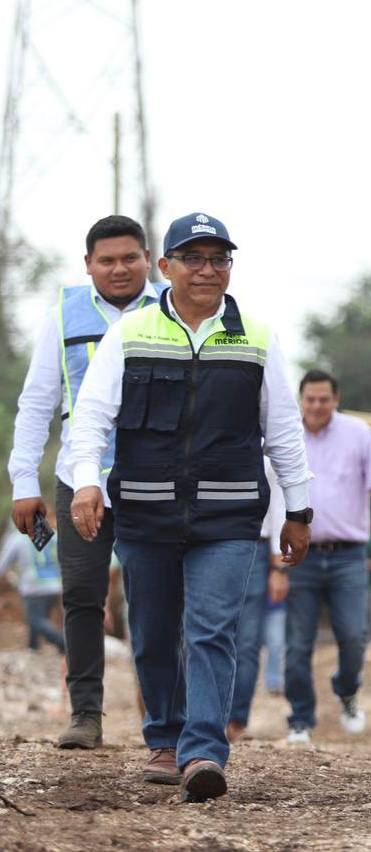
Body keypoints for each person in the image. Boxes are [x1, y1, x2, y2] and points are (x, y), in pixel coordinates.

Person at [67, 212, 312, 802]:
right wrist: (84, 482)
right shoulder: (130, 334)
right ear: (166, 267)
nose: (208, 270)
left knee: (212, 629)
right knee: (152, 631)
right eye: (195, 258)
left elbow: (282, 430)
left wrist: (298, 511)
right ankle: (164, 738)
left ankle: (204, 750)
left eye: (219, 259)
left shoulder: (256, 337)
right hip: (145, 512)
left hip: (228, 518)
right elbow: (92, 416)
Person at [7, 215, 162, 749]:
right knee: (81, 595)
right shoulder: (63, 313)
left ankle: (162, 716)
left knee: (157, 597)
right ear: (88, 265)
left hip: (157, 477)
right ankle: (86, 715)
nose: (119, 269)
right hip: (82, 476)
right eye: (106, 260)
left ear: (148, 258)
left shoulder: (172, 306)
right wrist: (24, 481)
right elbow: (36, 403)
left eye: (129, 258)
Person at [285, 369, 371, 744]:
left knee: (354, 635)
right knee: (299, 641)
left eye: (324, 399)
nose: (316, 406)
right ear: (301, 400)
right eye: (310, 399)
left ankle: (347, 689)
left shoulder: (359, 434)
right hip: (300, 555)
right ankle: (300, 717)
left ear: (336, 399)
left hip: (349, 554)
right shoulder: (285, 435)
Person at [227, 461, 286, 742]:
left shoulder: (265, 446)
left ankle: (236, 719)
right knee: (206, 634)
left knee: (248, 642)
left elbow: (277, 504)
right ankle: (205, 714)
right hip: (210, 540)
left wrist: (278, 567)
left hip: (257, 546)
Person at [0, 515, 65, 652]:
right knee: (42, 618)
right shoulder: (52, 535)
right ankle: (33, 647)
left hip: (34, 585)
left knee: (35, 619)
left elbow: (3, 564)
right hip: (55, 584)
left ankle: (64, 642)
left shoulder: (17, 539)